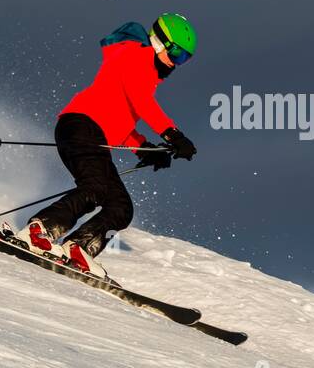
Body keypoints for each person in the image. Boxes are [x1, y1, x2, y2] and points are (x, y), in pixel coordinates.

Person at [10, 15, 198, 280]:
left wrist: (144, 149)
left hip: (94, 133)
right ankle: (39, 230)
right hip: (80, 126)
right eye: (176, 54)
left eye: (184, 59)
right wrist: (173, 134)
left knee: (121, 207)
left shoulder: (145, 73)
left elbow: (119, 120)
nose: (176, 63)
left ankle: (79, 248)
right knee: (95, 189)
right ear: (159, 43)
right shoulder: (136, 56)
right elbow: (142, 103)